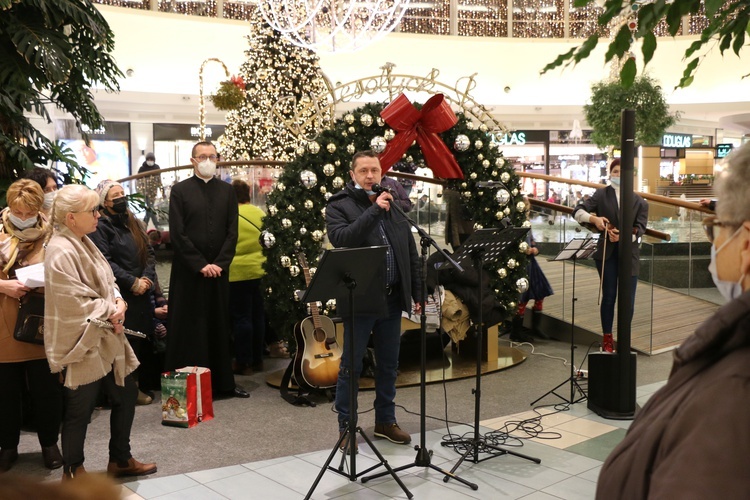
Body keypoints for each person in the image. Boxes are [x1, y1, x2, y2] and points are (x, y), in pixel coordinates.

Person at [595, 143, 750, 499]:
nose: (713, 240)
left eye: (716, 226)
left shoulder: (730, 395)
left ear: (745, 247)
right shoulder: (722, 356)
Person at [44, 184, 156, 480]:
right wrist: (111, 308)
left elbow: (107, 279)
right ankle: (73, 471)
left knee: (126, 394)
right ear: (70, 218)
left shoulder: (83, 240)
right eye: (91, 211)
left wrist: (118, 300)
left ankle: (120, 459)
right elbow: (72, 302)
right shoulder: (59, 249)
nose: (97, 215)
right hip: (81, 342)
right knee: (80, 408)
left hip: (107, 334)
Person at [325, 150, 420, 451]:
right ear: (352, 175)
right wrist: (374, 211)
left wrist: (416, 293)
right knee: (351, 367)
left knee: (389, 365)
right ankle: (346, 428)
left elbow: (409, 251)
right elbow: (344, 239)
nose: (370, 176)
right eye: (363, 170)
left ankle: (385, 421)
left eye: (375, 170)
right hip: (360, 299)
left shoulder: (392, 203)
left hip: (392, 300)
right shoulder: (338, 205)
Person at [165, 141, 248, 398]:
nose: (208, 160)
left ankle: (223, 384)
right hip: (189, 273)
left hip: (218, 273)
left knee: (219, 325)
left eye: (212, 156)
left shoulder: (227, 191)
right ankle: (188, 385)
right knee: (190, 326)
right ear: (193, 161)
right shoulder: (179, 191)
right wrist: (200, 264)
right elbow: (177, 234)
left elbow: (232, 232)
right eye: (203, 156)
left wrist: (219, 264)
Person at [0, 179, 63, 473]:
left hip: (42, 322)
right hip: (4, 322)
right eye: (17, 211)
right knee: (5, 392)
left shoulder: (53, 234)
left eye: (28, 212)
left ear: (39, 209)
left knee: (46, 390)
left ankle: (50, 444)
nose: (22, 217)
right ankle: (7, 447)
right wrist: (4, 286)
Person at [89, 180, 159, 404]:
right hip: (122, 292)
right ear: (104, 201)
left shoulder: (133, 220)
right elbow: (105, 261)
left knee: (141, 340)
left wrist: (147, 278)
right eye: (115, 195)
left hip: (142, 290)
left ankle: (139, 384)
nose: (121, 198)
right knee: (125, 342)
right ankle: (127, 390)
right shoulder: (100, 226)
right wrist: (131, 282)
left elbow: (149, 251)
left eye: (122, 193)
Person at [573, 158, 648, 352]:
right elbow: (577, 211)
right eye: (615, 171)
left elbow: (640, 229)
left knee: (628, 300)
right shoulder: (601, 195)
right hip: (606, 254)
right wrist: (594, 219)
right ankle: (607, 339)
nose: (618, 174)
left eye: (622, 171)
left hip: (629, 257)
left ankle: (624, 339)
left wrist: (624, 237)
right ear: (610, 173)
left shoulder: (640, 202)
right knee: (609, 296)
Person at [228, 179, 266, 375]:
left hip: (237, 272)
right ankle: (259, 360)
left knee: (241, 318)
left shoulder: (230, 215)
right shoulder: (259, 212)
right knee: (258, 316)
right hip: (259, 270)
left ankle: (244, 362)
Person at [511, 196, 554, 342]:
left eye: (528, 207)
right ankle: (516, 331)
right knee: (522, 297)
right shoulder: (515, 223)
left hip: (531, 262)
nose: (527, 210)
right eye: (525, 207)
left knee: (540, 292)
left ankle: (536, 327)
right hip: (521, 263)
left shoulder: (527, 223)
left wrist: (535, 248)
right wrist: (525, 250)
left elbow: (533, 240)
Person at [137, 152, 162, 228]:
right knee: (150, 208)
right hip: (145, 192)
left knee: (150, 209)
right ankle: (156, 225)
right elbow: (138, 180)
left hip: (153, 192)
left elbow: (158, 180)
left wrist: (161, 189)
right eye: (148, 159)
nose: (150, 161)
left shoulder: (156, 167)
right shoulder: (142, 168)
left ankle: (144, 226)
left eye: (151, 159)